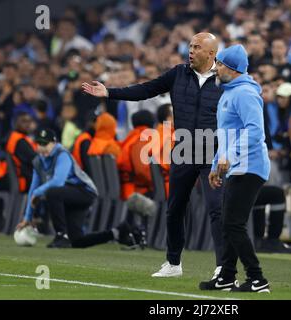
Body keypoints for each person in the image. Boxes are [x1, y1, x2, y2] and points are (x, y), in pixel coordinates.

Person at [82, 33, 225, 279]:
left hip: (213, 150)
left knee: (217, 208)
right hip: (184, 149)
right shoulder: (178, 73)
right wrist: (109, 93)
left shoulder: (225, 79)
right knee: (175, 207)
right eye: (190, 46)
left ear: (212, 54)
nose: (190, 51)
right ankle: (173, 263)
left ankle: (223, 266)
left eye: (197, 47)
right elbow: (146, 89)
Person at [199, 44, 271, 293]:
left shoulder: (244, 94)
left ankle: (257, 278)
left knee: (232, 224)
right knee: (229, 222)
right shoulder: (230, 92)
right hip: (238, 165)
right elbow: (227, 135)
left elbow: (255, 130)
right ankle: (227, 276)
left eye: (219, 64)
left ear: (232, 68)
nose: (215, 68)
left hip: (250, 166)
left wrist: (230, 155)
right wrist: (215, 165)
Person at [16, 129, 98, 248]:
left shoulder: (62, 154)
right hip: (68, 193)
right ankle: (115, 233)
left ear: (54, 143)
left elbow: (58, 182)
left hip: (85, 192)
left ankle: (61, 235)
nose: (42, 147)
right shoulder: (38, 161)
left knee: (52, 193)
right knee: (77, 240)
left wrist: (37, 192)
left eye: (45, 144)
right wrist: (27, 218)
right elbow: (32, 190)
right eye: (39, 144)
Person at [5, 112, 37, 192]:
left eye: (29, 121)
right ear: (16, 123)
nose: (27, 124)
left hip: (25, 176)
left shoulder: (16, 136)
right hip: (26, 179)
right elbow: (34, 160)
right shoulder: (20, 141)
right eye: (23, 121)